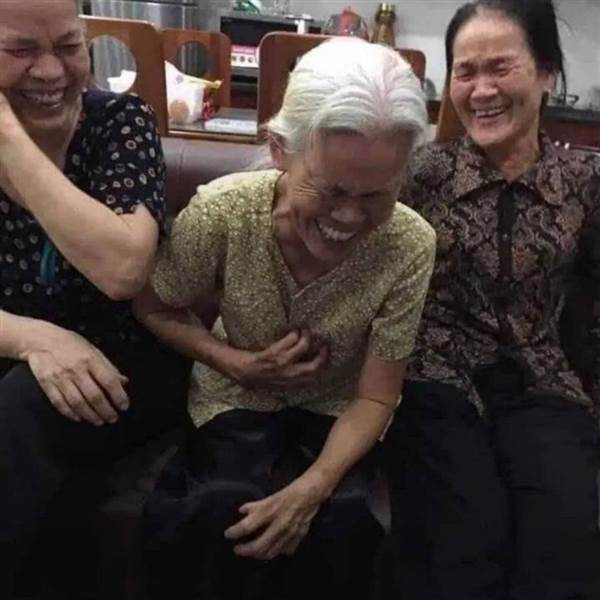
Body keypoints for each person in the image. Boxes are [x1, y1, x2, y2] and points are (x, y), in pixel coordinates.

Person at [133, 37, 436, 600]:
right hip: (233, 396)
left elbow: (376, 397)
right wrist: (234, 363)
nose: (350, 217)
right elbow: (154, 304)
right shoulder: (224, 211)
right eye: (331, 189)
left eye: (377, 195)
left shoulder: (410, 243)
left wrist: (313, 488)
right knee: (219, 508)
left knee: (344, 519)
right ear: (279, 149)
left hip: (338, 409)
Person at [384, 1, 600, 599]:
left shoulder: (584, 183)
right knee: (462, 541)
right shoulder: (419, 175)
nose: (481, 91)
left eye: (500, 68)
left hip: (542, 382)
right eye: (465, 71)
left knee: (564, 539)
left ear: (548, 72)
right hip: (434, 379)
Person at [0, 1, 190, 595]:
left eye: (68, 46)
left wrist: (7, 136)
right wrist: (33, 337)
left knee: (22, 402)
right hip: (19, 355)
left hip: (126, 361)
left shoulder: (120, 122)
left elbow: (122, 269)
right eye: (19, 50)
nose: (50, 71)